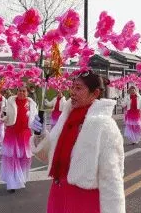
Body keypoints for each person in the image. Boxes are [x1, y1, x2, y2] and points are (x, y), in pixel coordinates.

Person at [30, 70, 125, 213]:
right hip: (58, 196)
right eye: (72, 87)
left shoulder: (104, 126)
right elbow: (48, 156)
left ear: (95, 94)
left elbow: (112, 179)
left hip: (83, 203)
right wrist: (40, 135)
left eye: (78, 88)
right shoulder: (66, 117)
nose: (72, 92)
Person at [0, 85, 38, 193]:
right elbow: (3, 117)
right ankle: (12, 183)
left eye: (24, 91)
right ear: (17, 91)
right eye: (20, 91)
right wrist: (2, 115)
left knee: (24, 159)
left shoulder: (32, 104)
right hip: (12, 134)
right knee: (12, 158)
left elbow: (35, 119)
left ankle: (20, 178)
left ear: (27, 93)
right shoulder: (9, 102)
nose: (21, 93)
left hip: (25, 134)